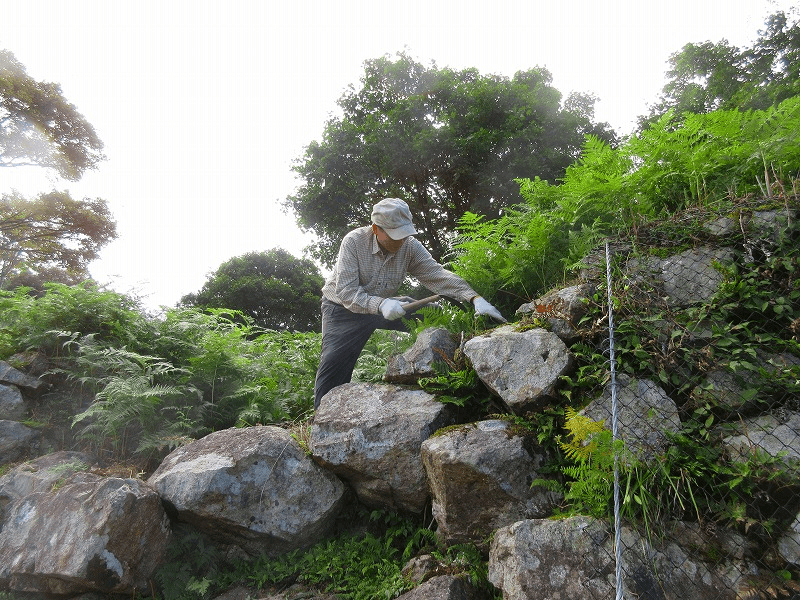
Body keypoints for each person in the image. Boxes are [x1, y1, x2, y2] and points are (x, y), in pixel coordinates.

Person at [313, 197, 505, 409]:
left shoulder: (410, 246)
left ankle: (454, 376)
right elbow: (347, 292)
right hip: (342, 310)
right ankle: (322, 417)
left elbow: (437, 275)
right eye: (394, 235)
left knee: (432, 315)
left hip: (386, 305)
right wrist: (380, 305)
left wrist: (475, 298)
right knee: (333, 364)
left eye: (404, 234)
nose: (400, 242)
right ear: (376, 229)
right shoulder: (353, 242)